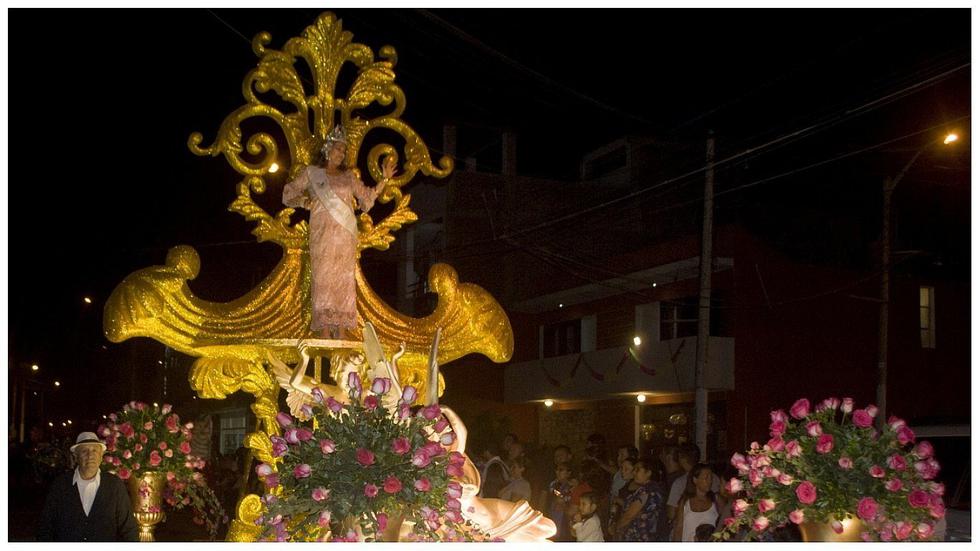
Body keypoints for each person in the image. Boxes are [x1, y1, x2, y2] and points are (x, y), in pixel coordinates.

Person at [282, 124, 397, 339]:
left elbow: (367, 199)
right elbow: (288, 194)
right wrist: (304, 200)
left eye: (344, 151)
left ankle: (342, 332)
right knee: (324, 278)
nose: (341, 154)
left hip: (345, 235)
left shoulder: (348, 177)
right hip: (322, 235)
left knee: (343, 279)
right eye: (337, 149)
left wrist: (385, 179)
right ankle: (325, 331)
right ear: (327, 150)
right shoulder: (312, 173)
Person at [37, 432, 139, 541]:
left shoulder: (114, 486)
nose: (90, 456)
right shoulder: (60, 485)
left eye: (95, 451)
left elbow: (129, 529)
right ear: (76, 456)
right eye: (85, 451)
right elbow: (45, 527)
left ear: (101, 456)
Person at [666, 443, 720, 523]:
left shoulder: (679, 483)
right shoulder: (714, 477)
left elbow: (671, 514)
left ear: (682, 458)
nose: (709, 481)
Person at [615, 458, 666, 541]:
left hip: (640, 537)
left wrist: (615, 528)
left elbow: (629, 515)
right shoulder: (652, 488)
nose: (634, 472)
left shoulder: (646, 490)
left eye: (637, 470)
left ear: (648, 473)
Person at [672, 463, 720, 542]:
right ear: (695, 479)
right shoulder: (685, 502)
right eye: (706, 478)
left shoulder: (716, 500)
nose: (710, 481)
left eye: (711, 478)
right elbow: (678, 529)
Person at [544, 462, 574, 541]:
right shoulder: (554, 484)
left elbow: (568, 499)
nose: (557, 472)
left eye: (561, 470)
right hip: (552, 517)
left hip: (564, 520)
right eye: (556, 470)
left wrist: (563, 499)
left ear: (568, 473)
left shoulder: (571, 486)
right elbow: (553, 492)